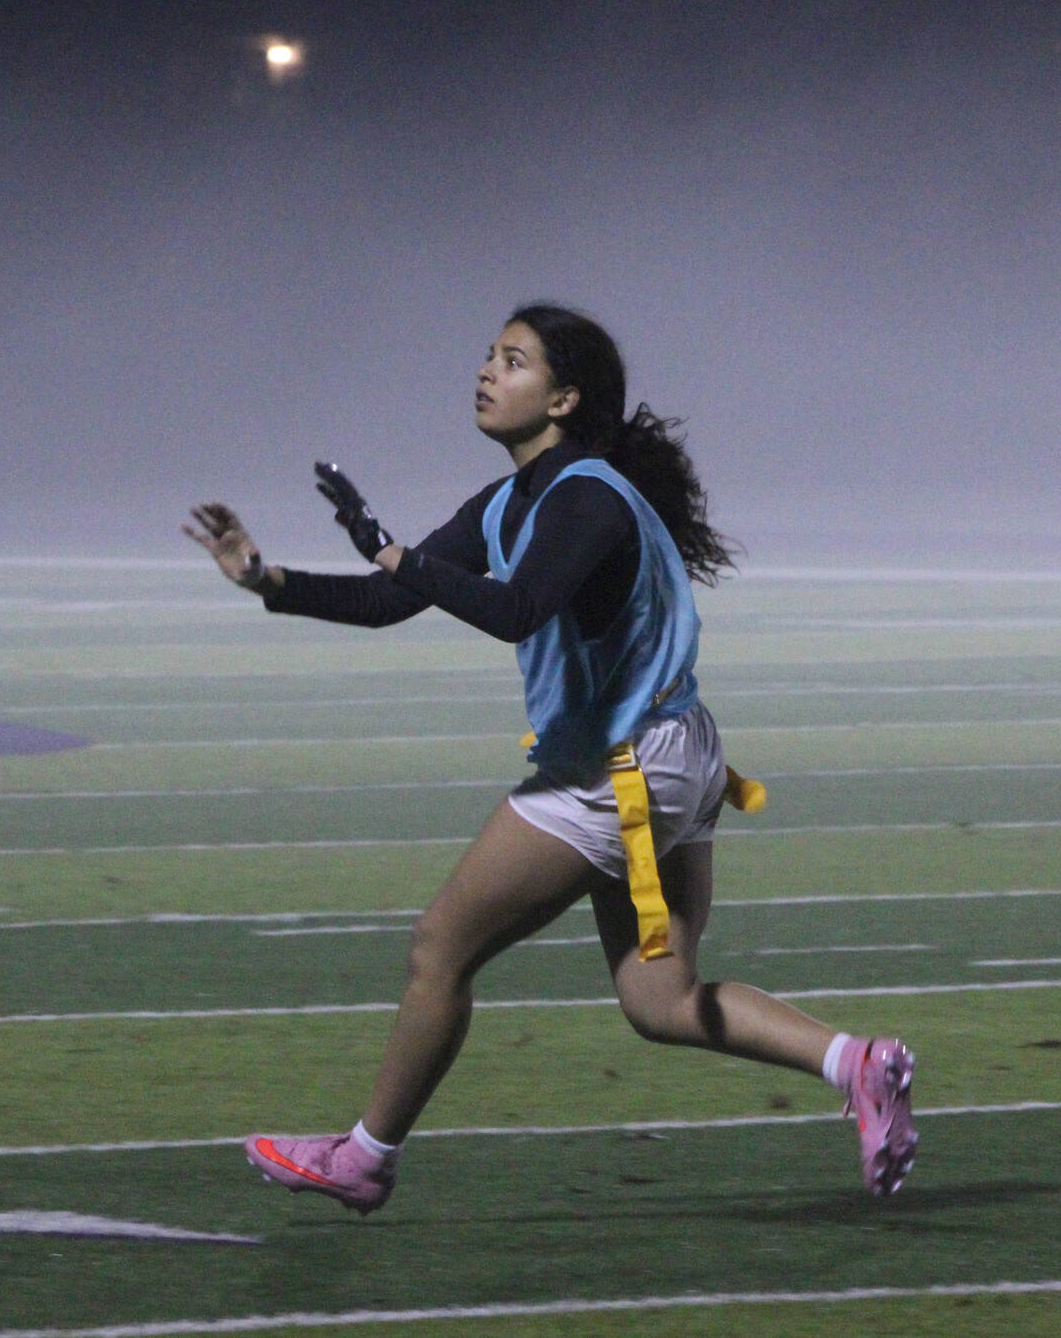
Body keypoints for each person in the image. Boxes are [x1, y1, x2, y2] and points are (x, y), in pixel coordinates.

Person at [184, 303, 917, 1214]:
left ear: (563, 397)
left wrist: (390, 545)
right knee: (661, 1000)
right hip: (674, 750)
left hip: (621, 771)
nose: (487, 370)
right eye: (488, 354)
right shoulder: (510, 500)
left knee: (440, 944)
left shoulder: (588, 496)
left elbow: (515, 610)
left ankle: (365, 1156)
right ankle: (858, 1064)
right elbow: (387, 603)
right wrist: (268, 578)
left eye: (514, 360)